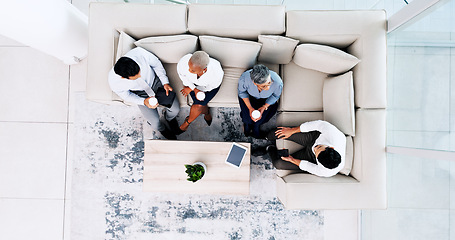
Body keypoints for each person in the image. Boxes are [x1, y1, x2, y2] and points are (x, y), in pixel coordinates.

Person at [108, 47, 180, 140]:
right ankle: (162, 129)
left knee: (175, 109)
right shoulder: (114, 82)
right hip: (140, 94)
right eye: (136, 77)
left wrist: (165, 82)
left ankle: (169, 119)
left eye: (139, 72)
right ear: (123, 77)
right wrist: (143, 101)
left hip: (156, 83)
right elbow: (126, 95)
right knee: (154, 123)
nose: (140, 76)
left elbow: (156, 64)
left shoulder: (139, 53)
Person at [266, 120, 345, 177]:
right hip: (313, 138)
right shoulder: (333, 134)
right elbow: (318, 124)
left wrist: (292, 160)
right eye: (319, 147)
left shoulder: (327, 171)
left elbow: (309, 167)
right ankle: (266, 137)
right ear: (331, 147)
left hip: (310, 157)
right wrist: (291, 131)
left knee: (278, 164)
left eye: (316, 152)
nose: (315, 149)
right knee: (278, 133)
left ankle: (270, 148)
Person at [177, 51, 224, 132]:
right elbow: (182, 76)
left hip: (208, 89)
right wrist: (192, 88)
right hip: (190, 84)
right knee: (200, 104)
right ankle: (206, 113)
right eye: (189, 66)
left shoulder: (216, 72)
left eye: (193, 70)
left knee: (199, 104)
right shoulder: (184, 60)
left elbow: (210, 87)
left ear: (204, 70)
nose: (189, 70)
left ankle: (187, 122)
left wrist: (196, 90)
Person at [238, 64, 283, 138]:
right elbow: (242, 93)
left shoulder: (278, 82)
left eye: (269, 83)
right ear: (254, 83)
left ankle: (256, 126)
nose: (268, 88)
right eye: (264, 86)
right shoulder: (244, 78)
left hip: (266, 100)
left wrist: (264, 107)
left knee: (261, 118)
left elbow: (275, 96)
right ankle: (246, 123)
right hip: (249, 97)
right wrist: (250, 108)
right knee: (247, 116)